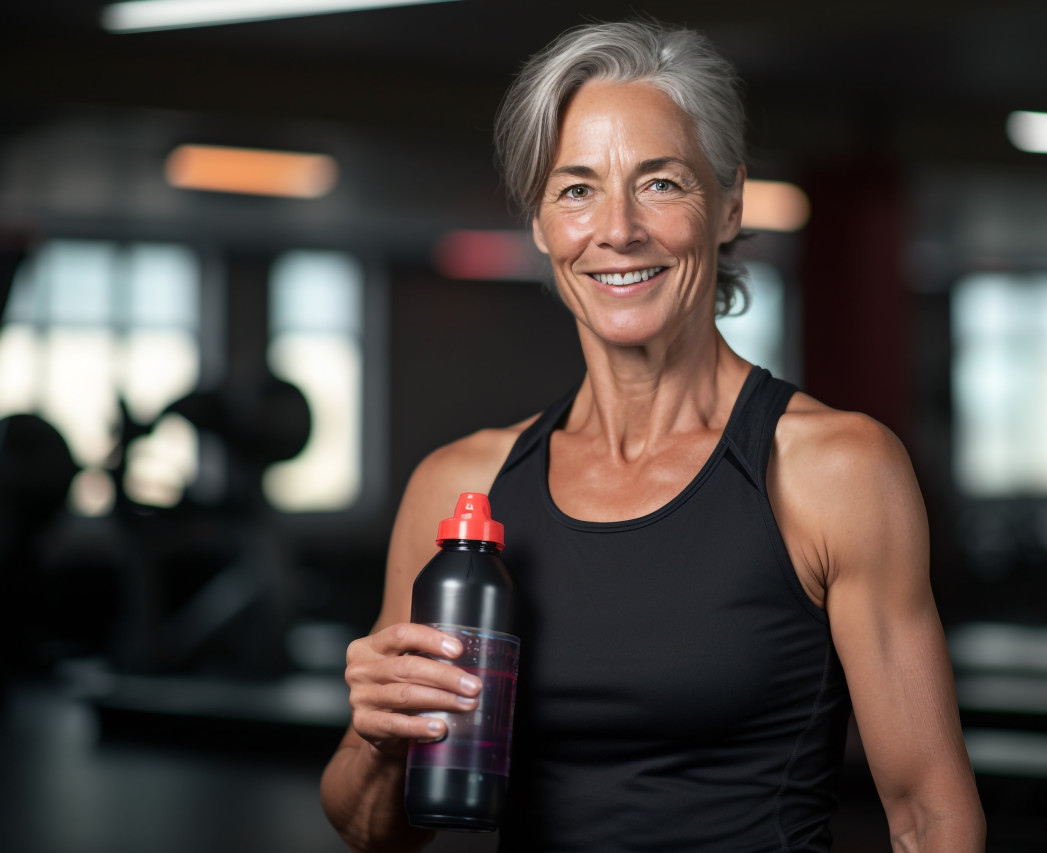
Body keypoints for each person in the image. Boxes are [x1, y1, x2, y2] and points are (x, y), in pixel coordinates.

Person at [321, 20, 984, 853]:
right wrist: (382, 737)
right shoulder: (460, 488)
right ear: (541, 223)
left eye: (661, 183)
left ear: (730, 203)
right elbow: (372, 831)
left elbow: (930, 814)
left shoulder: (833, 469)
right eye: (576, 190)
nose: (619, 229)